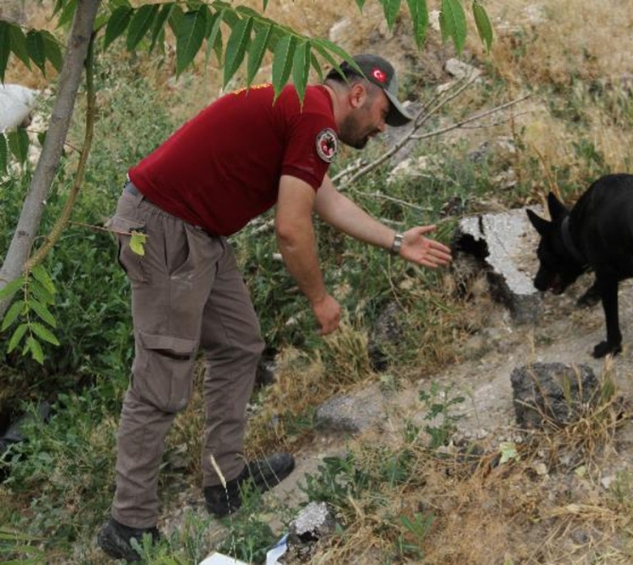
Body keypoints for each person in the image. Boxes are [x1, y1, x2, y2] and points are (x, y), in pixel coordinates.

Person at [97, 54, 453, 562]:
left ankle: (225, 480)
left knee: (240, 344)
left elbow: (326, 201)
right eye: (381, 114)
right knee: (162, 373)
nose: (381, 126)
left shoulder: (303, 110)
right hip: (166, 228)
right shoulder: (313, 117)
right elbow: (291, 227)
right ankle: (127, 523)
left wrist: (398, 241)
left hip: (198, 232)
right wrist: (320, 299)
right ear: (357, 94)